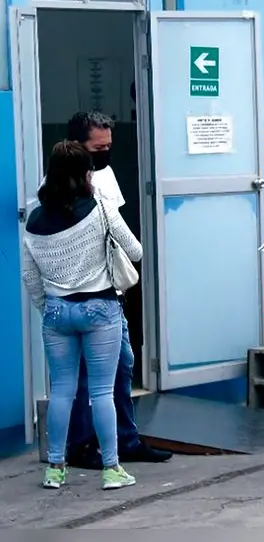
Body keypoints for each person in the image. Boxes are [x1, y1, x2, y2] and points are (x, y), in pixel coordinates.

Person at [22, 141, 143, 490]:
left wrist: (50, 309)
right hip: (99, 308)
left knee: (62, 391)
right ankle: (111, 469)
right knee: (102, 393)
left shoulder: (35, 217)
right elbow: (134, 252)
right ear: (86, 173)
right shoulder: (102, 209)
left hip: (57, 311)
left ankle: (55, 469)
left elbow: (30, 277)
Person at [62, 111, 171, 470]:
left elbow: (122, 234)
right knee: (81, 376)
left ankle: (125, 439)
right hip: (81, 294)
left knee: (123, 365)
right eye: (98, 147)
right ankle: (80, 445)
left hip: (110, 291)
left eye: (109, 145)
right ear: (77, 146)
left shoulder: (105, 175)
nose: (105, 153)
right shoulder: (57, 186)